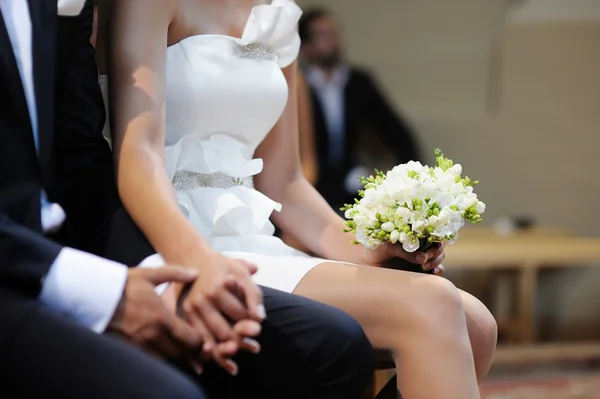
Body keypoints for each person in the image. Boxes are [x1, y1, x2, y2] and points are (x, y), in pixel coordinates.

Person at [104, 0, 496, 397]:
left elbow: (285, 183)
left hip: (254, 239)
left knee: (477, 324)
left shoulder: (278, 14)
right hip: (175, 237)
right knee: (434, 307)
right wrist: (197, 259)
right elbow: (138, 154)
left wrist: (371, 245)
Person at [0, 1, 374, 398]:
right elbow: (132, 156)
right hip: (152, 236)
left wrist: (373, 244)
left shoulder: (58, 9)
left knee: (342, 340)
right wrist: (147, 274)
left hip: (235, 239)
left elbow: (81, 161)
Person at [299, 8, 422, 212]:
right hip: (308, 184)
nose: (332, 40)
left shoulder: (358, 82)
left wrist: (408, 177)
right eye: (323, 34)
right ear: (305, 46)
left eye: (335, 33)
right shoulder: (298, 84)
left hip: (349, 183)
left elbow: (396, 131)